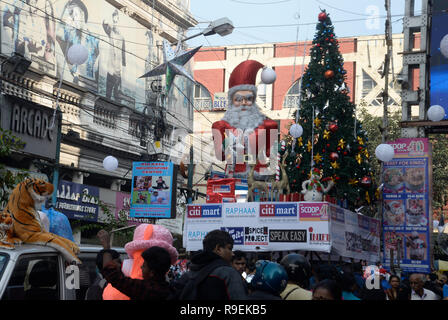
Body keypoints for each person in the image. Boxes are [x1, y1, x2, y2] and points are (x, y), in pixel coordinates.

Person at [212, 60, 278, 180]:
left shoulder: (269, 125)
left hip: (260, 180)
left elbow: (272, 155)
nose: (243, 103)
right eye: (238, 99)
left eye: (248, 99)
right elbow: (220, 156)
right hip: (233, 180)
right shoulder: (221, 126)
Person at [173, 229, 248, 300]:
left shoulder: (188, 275)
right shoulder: (228, 273)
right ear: (218, 248)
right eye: (230, 248)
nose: (232, 254)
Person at [101, 246, 171, 300]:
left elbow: (114, 278)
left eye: (144, 266)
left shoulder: (147, 289)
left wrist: (106, 248)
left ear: (152, 273)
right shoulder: (169, 289)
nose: (141, 268)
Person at [102, 9, 126, 100]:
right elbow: (105, 25)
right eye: (114, 17)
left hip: (118, 70)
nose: (115, 19)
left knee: (116, 96)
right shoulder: (111, 31)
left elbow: (124, 56)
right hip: (111, 68)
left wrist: (122, 71)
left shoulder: (122, 37)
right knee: (108, 93)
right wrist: (106, 22)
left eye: (116, 17)